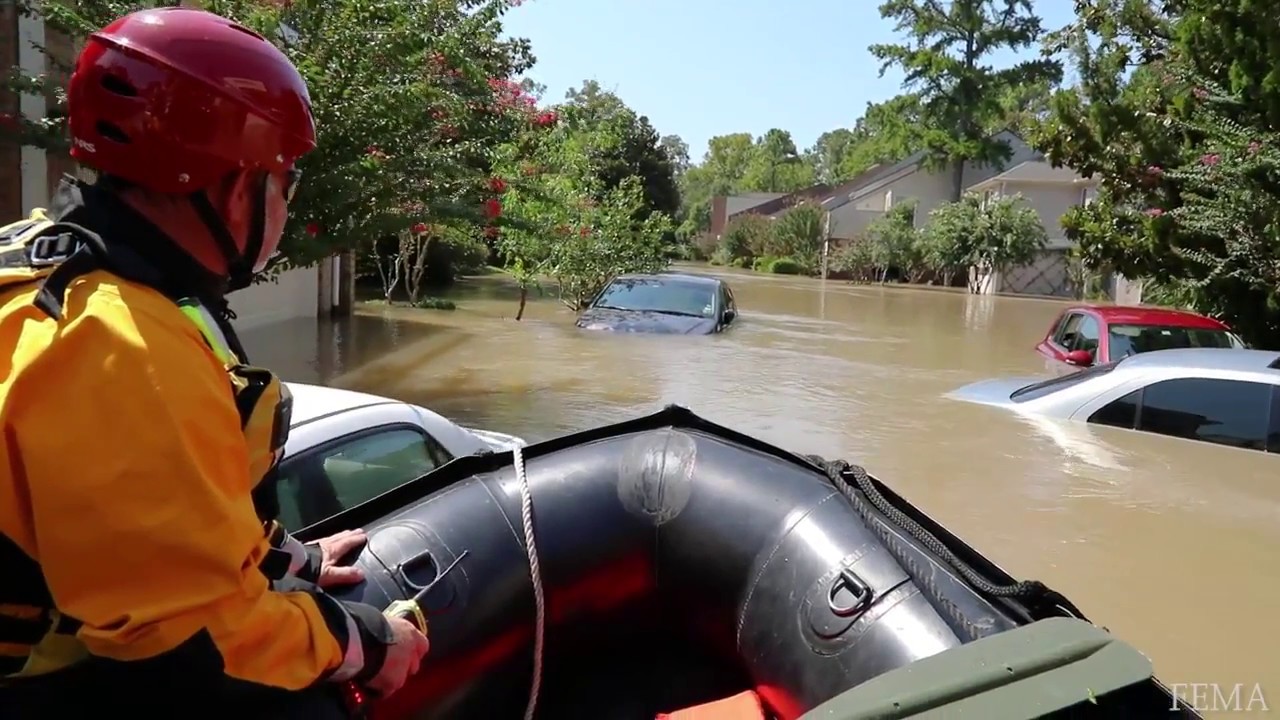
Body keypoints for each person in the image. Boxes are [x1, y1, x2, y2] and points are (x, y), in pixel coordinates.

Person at [0, 8, 428, 717]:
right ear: (237, 189)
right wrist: (370, 644)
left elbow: (157, 509)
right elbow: (183, 643)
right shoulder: (125, 348)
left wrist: (295, 560)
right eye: (284, 180)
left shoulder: (44, 258)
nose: (287, 204)